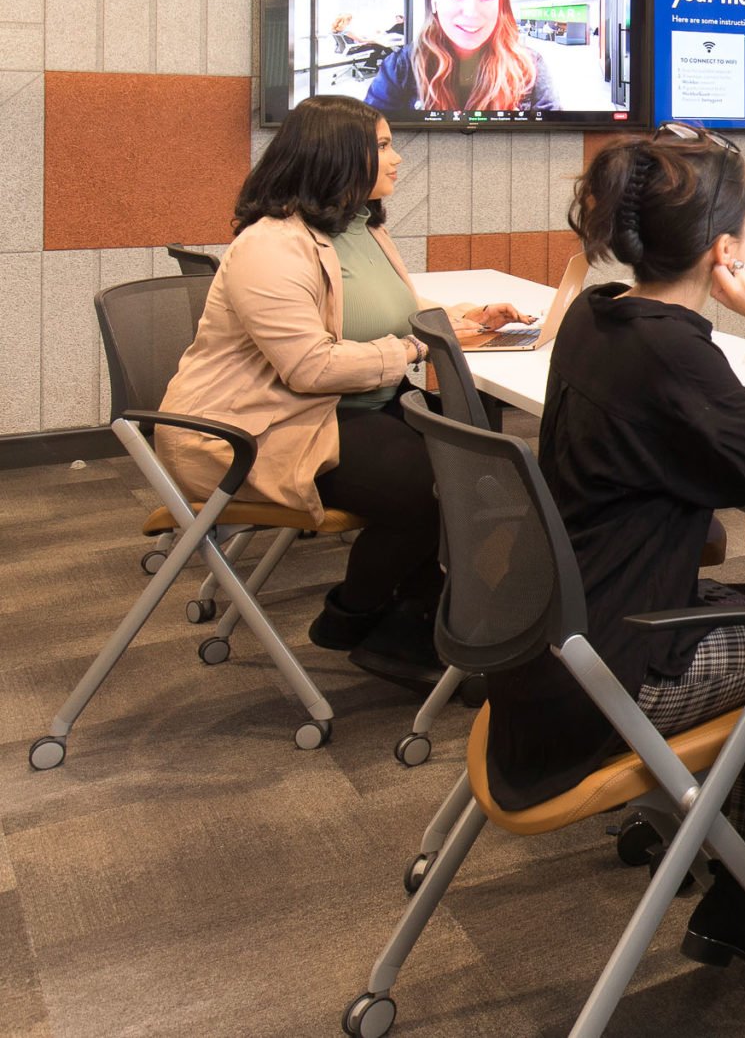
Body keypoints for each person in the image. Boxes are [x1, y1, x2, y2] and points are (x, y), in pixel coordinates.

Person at [482, 123, 745, 980]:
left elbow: (678, 440)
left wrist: (735, 428)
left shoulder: (598, 315)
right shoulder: (677, 350)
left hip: (548, 653)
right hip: (619, 669)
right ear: (726, 246)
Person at [156, 94, 530, 689]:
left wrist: (463, 317)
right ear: (336, 157)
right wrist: (416, 349)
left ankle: (405, 623)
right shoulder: (272, 244)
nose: (398, 159)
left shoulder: (360, 227)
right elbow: (309, 368)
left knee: (484, 473)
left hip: (349, 409)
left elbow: (387, 313)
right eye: (382, 146)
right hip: (266, 429)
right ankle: (361, 615)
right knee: (435, 487)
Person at [362, 0, 558, 116]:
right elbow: (369, 139)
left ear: (500, 4)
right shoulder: (400, 67)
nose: (471, 12)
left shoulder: (530, 66)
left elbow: (552, 142)